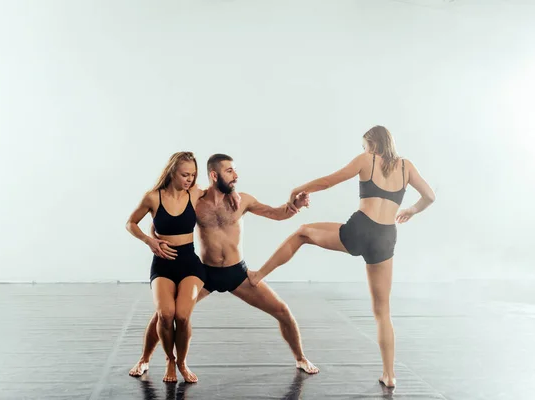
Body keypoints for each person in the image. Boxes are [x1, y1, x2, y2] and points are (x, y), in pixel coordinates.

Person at [247, 126, 436, 389]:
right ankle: (390, 375)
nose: (364, 151)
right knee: (383, 312)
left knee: (302, 232)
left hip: (360, 230)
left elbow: (329, 181)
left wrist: (297, 189)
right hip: (386, 237)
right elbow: (430, 196)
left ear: (372, 144)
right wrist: (411, 211)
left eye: (364, 146)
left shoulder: (366, 160)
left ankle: (257, 275)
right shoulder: (406, 167)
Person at [129, 153, 319, 379]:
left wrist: (293, 206)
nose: (235, 176)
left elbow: (276, 214)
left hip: (236, 272)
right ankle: (145, 359)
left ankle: (300, 357)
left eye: (234, 170)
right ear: (213, 175)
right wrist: (153, 240)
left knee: (282, 311)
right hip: (204, 273)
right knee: (162, 315)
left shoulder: (242, 200)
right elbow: (163, 220)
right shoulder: (196, 200)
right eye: (230, 171)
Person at [125, 151, 240, 383]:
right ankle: (168, 359)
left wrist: (234, 191)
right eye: (185, 174)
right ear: (172, 172)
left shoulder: (195, 193)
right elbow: (130, 223)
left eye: (193, 175)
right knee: (165, 315)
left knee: (183, 315)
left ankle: (182, 362)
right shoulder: (153, 197)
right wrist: (150, 241)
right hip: (163, 264)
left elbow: (221, 188)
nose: (189, 179)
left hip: (190, 264)